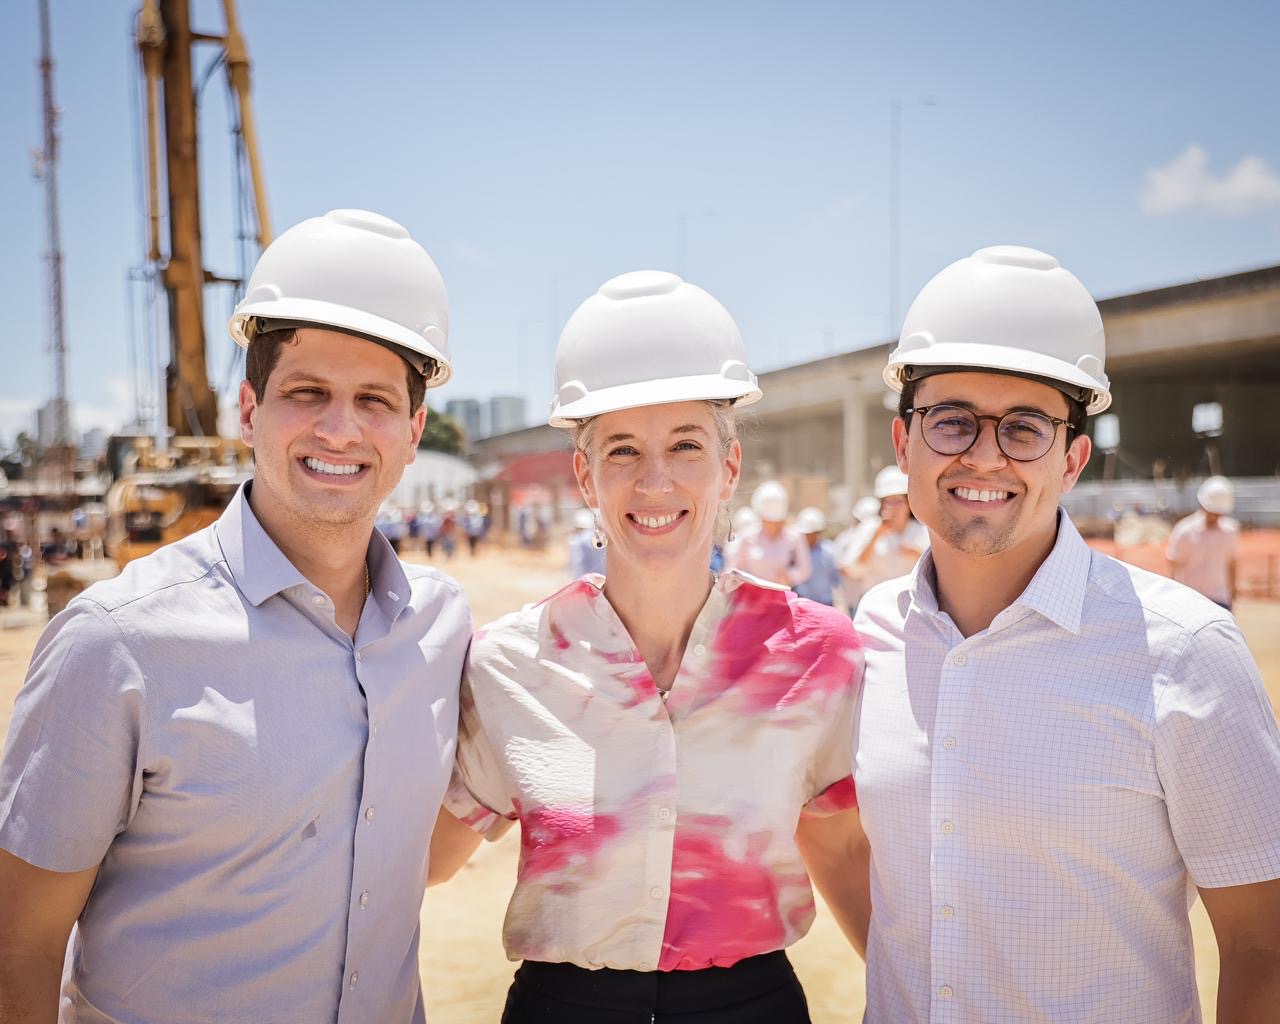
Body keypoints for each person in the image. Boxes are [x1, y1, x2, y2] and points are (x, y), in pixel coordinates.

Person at [0, 209, 472, 1024]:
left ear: (413, 429)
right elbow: (20, 943)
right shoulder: (118, 642)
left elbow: (406, 861)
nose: (340, 428)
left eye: (374, 401)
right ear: (248, 412)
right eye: (307, 393)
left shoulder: (441, 628)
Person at [852, 245, 1280, 1022]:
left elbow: (1265, 947)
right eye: (950, 421)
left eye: (1024, 428)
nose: (983, 454)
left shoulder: (1185, 650)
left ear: (1073, 459)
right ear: (902, 444)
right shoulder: (870, 635)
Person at [429, 270, 868, 1023]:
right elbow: (423, 862)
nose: (655, 480)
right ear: (586, 478)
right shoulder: (507, 664)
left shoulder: (819, 655)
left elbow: (839, 845)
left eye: (686, 446)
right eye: (624, 450)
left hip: (751, 1005)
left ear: (729, 469)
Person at [835, 465, 928, 611]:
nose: (893, 507)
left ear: (908, 503)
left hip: (912, 607)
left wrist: (917, 554)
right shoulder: (869, 529)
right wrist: (876, 537)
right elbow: (853, 570)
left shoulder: (922, 531)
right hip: (876, 607)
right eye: (888, 502)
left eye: (898, 501)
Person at [1167, 475, 1240, 611]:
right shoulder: (1184, 530)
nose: (1215, 516)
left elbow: (1232, 562)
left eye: (1218, 513)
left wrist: (1233, 589)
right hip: (1189, 599)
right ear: (1203, 505)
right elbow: (1173, 563)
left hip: (1219, 599)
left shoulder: (1230, 531)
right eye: (1212, 512)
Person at [727, 480, 811, 587]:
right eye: (769, 521)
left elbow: (805, 569)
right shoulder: (747, 537)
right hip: (753, 597)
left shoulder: (794, 537)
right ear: (761, 517)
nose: (773, 525)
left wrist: (790, 576)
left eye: (777, 522)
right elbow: (734, 568)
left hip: (782, 595)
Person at [792, 506, 840, 607]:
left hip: (825, 605)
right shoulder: (794, 552)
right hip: (801, 605)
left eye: (813, 533)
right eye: (806, 534)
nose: (809, 537)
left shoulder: (829, 551)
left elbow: (836, 581)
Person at [567, 505, 606, 578]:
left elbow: (577, 564)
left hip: (586, 581)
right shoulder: (601, 539)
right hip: (602, 580)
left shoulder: (577, 540)